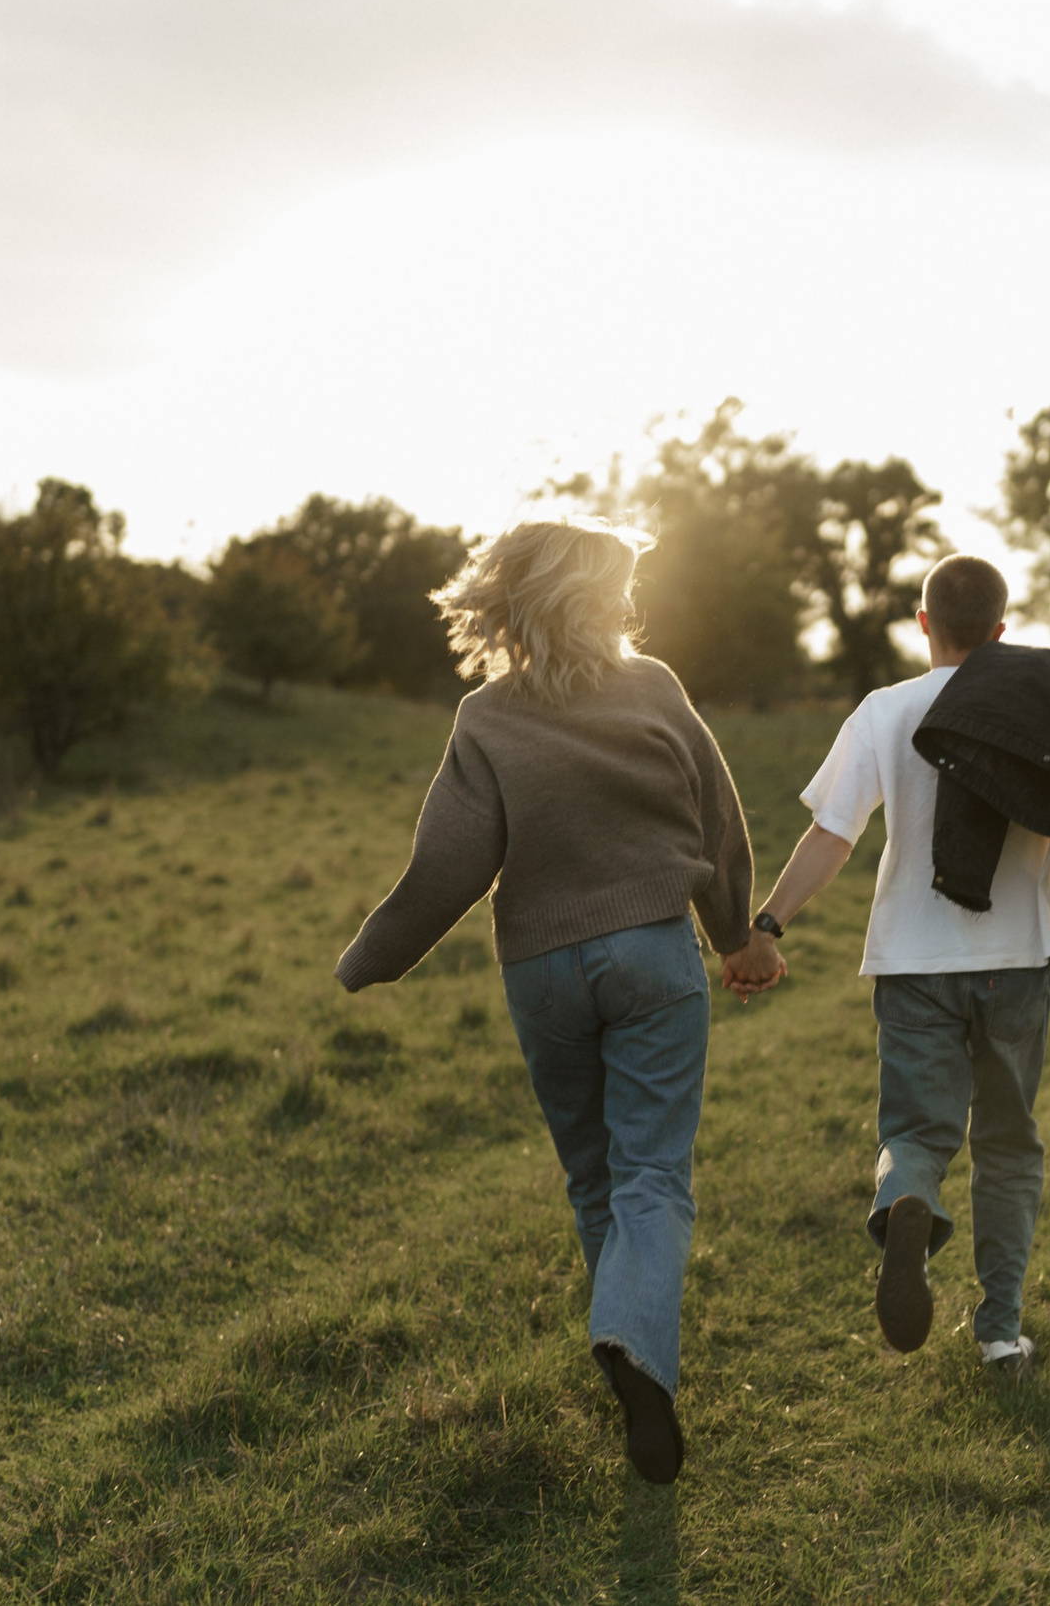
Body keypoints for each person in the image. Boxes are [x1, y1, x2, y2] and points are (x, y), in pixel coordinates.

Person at [334, 519, 779, 1484]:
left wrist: (371, 956)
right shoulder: (655, 688)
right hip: (654, 956)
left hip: (541, 968)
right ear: (599, 600)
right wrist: (734, 932)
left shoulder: (486, 718)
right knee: (652, 1175)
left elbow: (448, 864)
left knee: (594, 1179)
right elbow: (717, 816)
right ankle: (632, 1344)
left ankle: (628, 1360)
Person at [731, 555, 1050, 1378]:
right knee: (1008, 1144)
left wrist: (767, 925)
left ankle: (906, 1197)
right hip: (1018, 957)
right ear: (1000, 629)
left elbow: (833, 835)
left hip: (912, 962)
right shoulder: (1044, 713)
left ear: (923, 623)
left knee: (916, 1130)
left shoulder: (886, 711)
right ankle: (998, 1334)